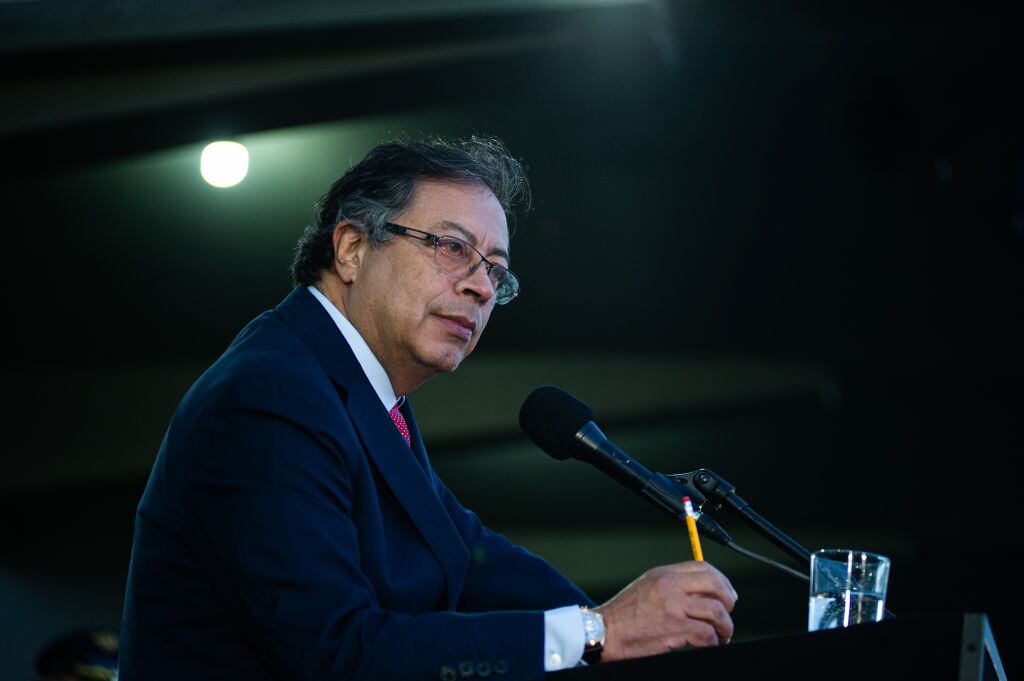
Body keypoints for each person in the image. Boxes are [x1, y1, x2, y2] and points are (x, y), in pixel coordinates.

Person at [118, 136, 737, 681]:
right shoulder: (267, 397)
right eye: (449, 247)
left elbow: (469, 556)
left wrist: (633, 628)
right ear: (352, 248)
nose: (480, 287)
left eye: (497, 272)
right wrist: (597, 632)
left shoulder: (364, 392)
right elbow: (335, 651)